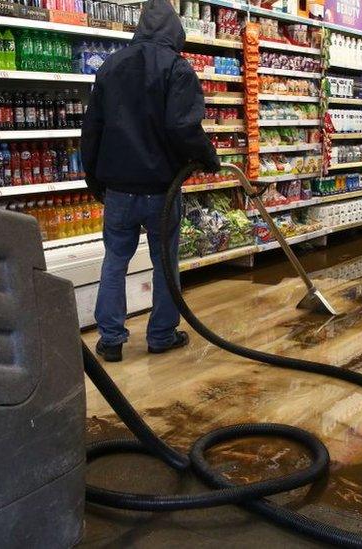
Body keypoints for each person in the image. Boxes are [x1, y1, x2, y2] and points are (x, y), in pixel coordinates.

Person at [81, 0, 220, 362]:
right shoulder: (177, 68)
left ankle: (110, 339)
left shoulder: (111, 67)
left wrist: (94, 179)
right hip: (162, 188)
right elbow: (183, 127)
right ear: (175, 31)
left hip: (120, 189)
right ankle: (161, 334)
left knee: (115, 260)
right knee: (164, 263)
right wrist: (207, 157)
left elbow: (92, 129)